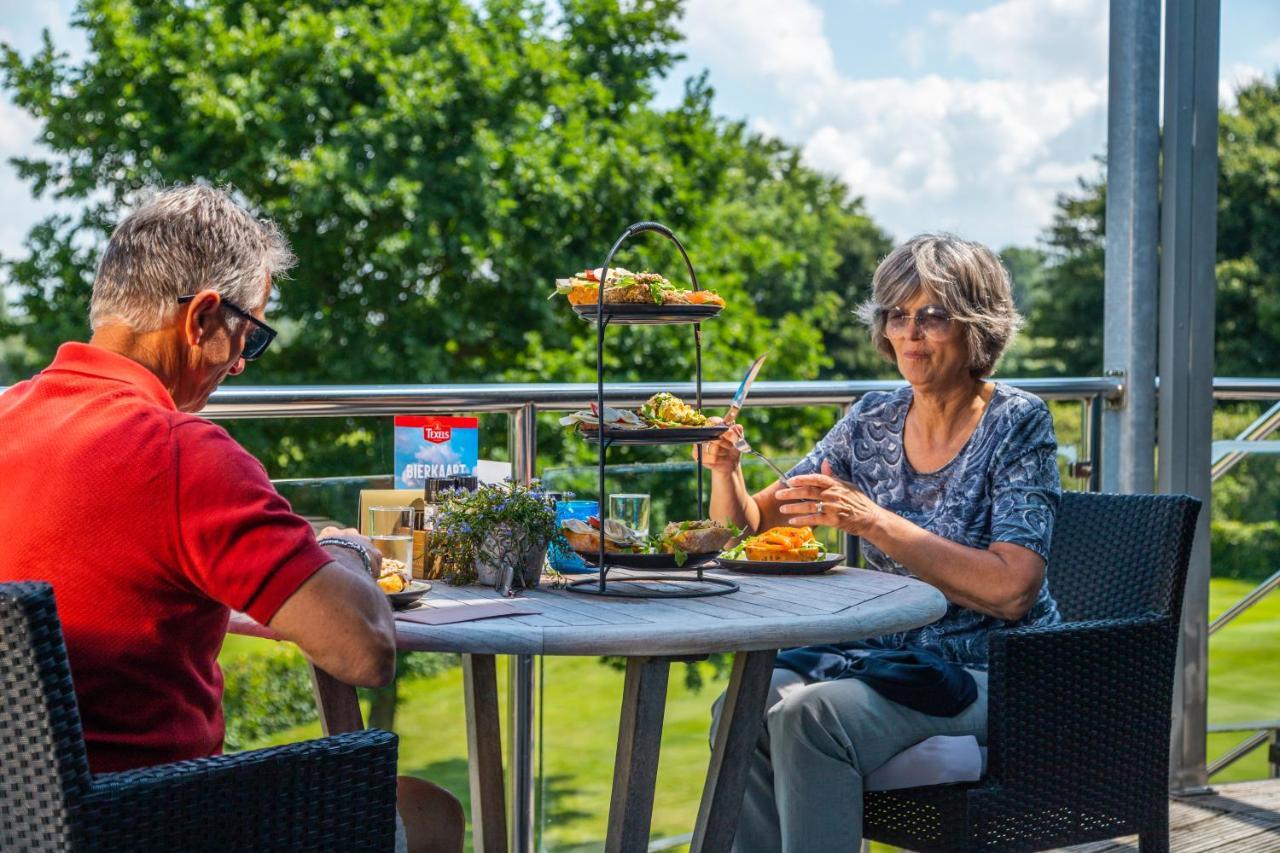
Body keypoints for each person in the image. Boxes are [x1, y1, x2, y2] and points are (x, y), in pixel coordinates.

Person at [0, 185, 462, 853]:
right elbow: (364, 647)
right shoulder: (182, 454)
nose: (242, 362)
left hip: (26, 826)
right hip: (154, 820)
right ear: (203, 318)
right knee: (430, 810)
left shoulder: (10, 414)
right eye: (251, 333)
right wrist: (345, 551)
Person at [698, 233, 1062, 852]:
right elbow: (747, 528)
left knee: (809, 717)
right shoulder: (873, 418)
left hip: (995, 669)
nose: (910, 333)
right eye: (898, 315)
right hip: (885, 659)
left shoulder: (1016, 423)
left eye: (933, 316)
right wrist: (726, 470)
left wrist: (873, 522)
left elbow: (1012, 591)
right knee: (742, 708)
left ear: (977, 327)